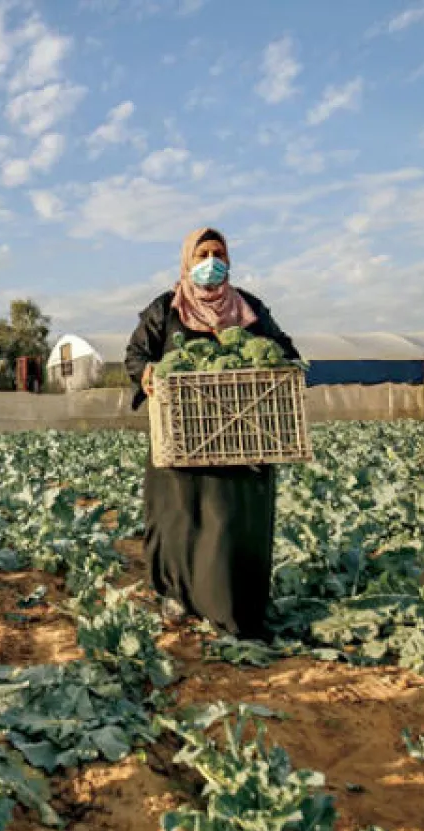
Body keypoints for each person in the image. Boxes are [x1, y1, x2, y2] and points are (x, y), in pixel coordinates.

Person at [123, 227, 299, 641]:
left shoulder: (250, 309)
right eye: (202, 254)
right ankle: (177, 596)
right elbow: (136, 355)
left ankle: (232, 610)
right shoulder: (166, 308)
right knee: (179, 517)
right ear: (188, 260)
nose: (210, 261)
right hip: (181, 433)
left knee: (231, 523)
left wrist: (280, 366)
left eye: (218, 253)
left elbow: (285, 349)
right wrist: (148, 373)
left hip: (244, 437)